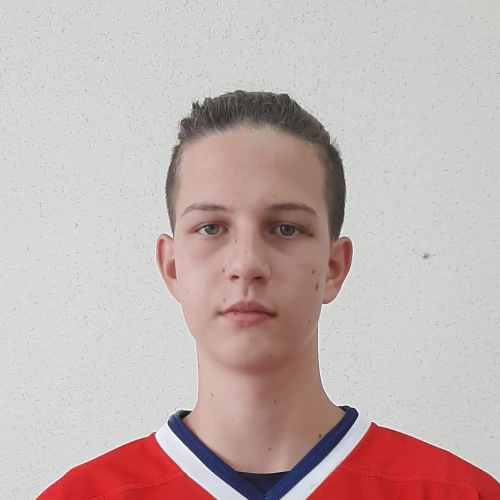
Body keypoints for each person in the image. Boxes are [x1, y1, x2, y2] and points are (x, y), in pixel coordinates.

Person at [38, 90, 500, 499]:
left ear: (334, 267)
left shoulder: (463, 494)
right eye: (211, 227)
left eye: (286, 228)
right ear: (172, 267)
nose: (246, 264)